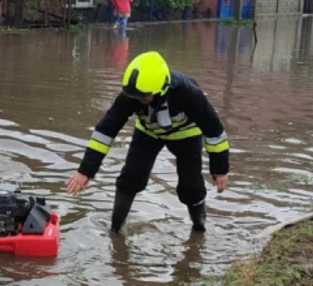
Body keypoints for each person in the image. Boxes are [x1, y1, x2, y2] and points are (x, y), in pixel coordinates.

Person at [65, 51, 230, 233]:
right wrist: (85, 171)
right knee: (130, 178)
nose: (138, 101)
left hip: (186, 135)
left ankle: (199, 229)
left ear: (160, 89)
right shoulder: (131, 95)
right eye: (135, 97)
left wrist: (219, 170)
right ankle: (115, 230)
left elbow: (214, 131)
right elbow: (106, 130)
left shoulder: (189, 93)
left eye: (143, 97)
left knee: (191, 186)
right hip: (148, 132)